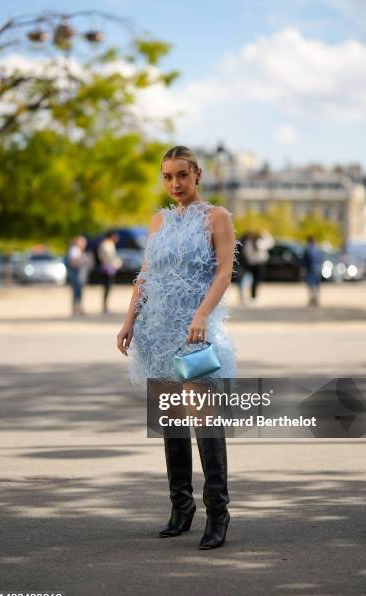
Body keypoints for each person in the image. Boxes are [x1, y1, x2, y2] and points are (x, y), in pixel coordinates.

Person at [117, 145, 238, 550]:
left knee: (204, 422)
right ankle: (180, 508)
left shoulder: (216, 217)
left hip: (194, 334)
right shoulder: (158, 221)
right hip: (157, 331)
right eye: (167, 177)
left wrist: (202, 315)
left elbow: (224, 272)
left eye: (182, 176)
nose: (175, 184)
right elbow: (146, 274)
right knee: (171, 423)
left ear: (197, 174)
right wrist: (130, 319)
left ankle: (217, 514)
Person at [243, 230, 274, 302]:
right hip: (259, 264)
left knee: (253, 280)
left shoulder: (249, 243)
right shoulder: (260, 243)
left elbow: (246, 253)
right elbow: (271, 243)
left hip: (251, 264)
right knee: (256, 281)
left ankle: (252, 296)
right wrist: (266, 234)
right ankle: (253, 297)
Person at [98, 231, 123, 314]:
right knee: (107, 287)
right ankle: (105, 306)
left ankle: (105, 306)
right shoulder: (107, 244)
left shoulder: (107, 244)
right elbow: (109, 257)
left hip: (108, 267)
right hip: (108, 268)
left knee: (108, 288)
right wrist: (117, 263)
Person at [66, 235, 88, 316]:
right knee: (77, 291)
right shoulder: (75, 250)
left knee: (78, 292)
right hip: (76, 273)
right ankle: (76, 309)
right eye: (83, 242)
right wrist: (81, 262)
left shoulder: (77, 250)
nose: (84, 244)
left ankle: (78, 309)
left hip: (78, 274)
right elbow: (73, 262)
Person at [303, 235, 323, 307]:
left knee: (311, 285)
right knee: (317, 285)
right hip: (318, 268)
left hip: (310, 269)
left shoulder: (307, 249)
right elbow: (321, 259)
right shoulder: (318, 248)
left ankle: (312, 299)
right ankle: (316, 299)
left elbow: (305, 261)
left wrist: (303, 270)